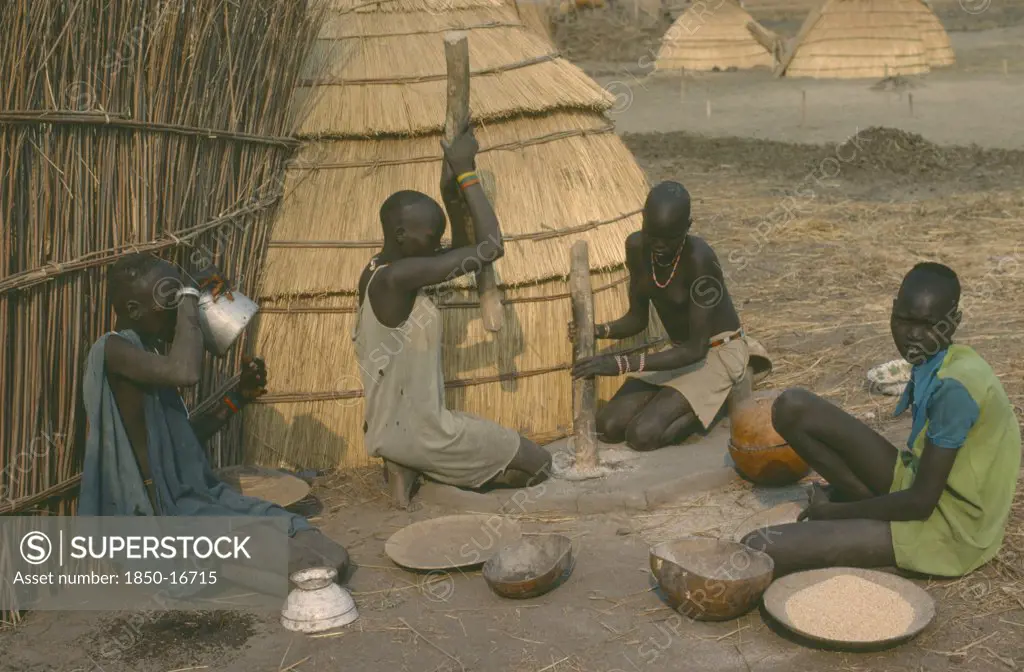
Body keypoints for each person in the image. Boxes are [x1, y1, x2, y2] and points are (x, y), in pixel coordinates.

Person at [742, 263, 1021, 578]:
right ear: (892, 310)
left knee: (759, 546)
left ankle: (870, 521)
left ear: (952, 323)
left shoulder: (956, 387)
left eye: (928, 324)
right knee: (792, 406)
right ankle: (871, 511)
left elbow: (920, 504)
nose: (913, 334)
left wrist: (833, 514)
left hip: (949, 530)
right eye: (904, 320)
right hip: (918, 484)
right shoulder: (934, 358)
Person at [80, 253, 348, 578]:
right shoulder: (112, 351)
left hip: (196, 501)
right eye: (172, 299)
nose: (181, 308)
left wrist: (237, 398)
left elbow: (182, 443)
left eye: (182, 297)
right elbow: (185, 371)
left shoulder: (147, 357)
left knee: (317, 542)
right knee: (309, 566)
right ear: (134, 310)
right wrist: (191, 294)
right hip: (165, 518)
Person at [354, 123, 552, 509]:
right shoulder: (400, 277)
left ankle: (404, 463)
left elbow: (460, 250)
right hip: (427, 431)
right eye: (430, 238)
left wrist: (450, 189)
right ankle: (419, 459)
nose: (436, 246)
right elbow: (490, 247)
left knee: (496, 461)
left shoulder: (379, 270)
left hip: (389, 425)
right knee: (539, 464)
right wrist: (466, 173)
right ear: (400, 234)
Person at [571, 181, 766, 451]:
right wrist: (599, 330)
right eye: (653, 234)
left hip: (716, 351)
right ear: (643, 220)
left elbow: (697, 349)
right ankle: (677, 399)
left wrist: (622, 364)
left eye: (670, 237)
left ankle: (717, 401)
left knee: (643, 435)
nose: (659, 245)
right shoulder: (637, 248)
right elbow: (637, 318)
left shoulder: (700, 260)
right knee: (609, 425)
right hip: (678, 352)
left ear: (688, 227)